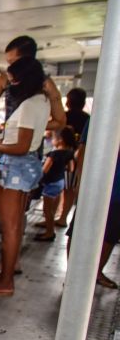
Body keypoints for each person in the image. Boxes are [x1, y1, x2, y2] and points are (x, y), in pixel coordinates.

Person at [0, 57, 50, 296]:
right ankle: (5, 272)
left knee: (8, 227)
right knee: (16, 224)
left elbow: (21, 146)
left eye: (14, 80)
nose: (11, 85)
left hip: (16, 168)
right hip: (26, 167)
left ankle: (5, 281)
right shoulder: (42, 101)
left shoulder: (29, 105)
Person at [66, 119, 120, 289]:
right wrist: (80, 181)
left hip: (116, 190)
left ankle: (95, 272)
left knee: (110, 233)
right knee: (79, 229)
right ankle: (72, 273)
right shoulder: (105, 108)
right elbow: (83, 149)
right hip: (95, 184)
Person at [0, 35, 65, 135]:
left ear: (27, 60)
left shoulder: (46, 84)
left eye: (13, 62)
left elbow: (60, 122)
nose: (10, 67)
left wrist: (26, 126)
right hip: (7, 142)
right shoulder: (4, 79)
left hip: (32, 146)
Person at [34, 126, 76, 242]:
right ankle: (49, 225)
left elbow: (44, 170)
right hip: (60, 182)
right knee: (53, 209)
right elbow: (71, 168)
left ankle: (49, 232)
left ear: (60, 140)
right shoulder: (69, 153)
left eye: (53, 138)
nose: (51, 140)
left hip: (51, 183)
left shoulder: (53, 154)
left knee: (47, 209)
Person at [57, 88, 91, 226]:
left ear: (69, 102)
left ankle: (59, 217)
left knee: (61, 188)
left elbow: (54, 137)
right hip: (76, 159)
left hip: (62, 158)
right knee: (69, 188)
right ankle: (62, 216)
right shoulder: (87, 119)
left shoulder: (63, 118)